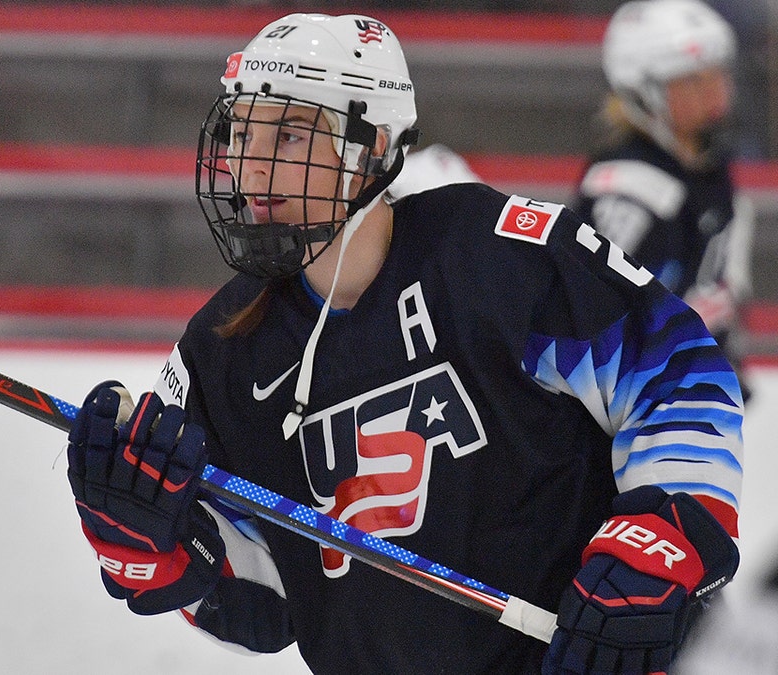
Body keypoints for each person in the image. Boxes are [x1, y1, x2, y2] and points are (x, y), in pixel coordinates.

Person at [64, 13, 743, 674]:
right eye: (243, 134)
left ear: (372, 146)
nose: (254, 167)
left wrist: (664, 536)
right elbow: (269, 600)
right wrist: (164, 543)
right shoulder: (221, 355)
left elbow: (678, 374)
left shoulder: (498, 255)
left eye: (292, 136)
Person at [574, 0, 755, 401]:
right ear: (644, 92)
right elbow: (597, 326)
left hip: (695, 389)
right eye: (692, 80)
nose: (715, 94)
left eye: (718, 75)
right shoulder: (628, 187)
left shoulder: (705, 163)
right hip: (645, 405)